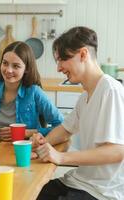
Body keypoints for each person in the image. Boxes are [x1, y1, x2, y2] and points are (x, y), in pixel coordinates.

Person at [33, 26, 124, 200]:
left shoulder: (110, 90)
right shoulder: (85, 95)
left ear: (83, 55)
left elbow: (117, 151)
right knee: (31, 193)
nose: (59, 68)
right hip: (80, 181)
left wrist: (61, 157)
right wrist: (42, 145)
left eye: (62, 60)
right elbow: (65, 129)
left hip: (102, 192)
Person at [0, 41, 63, 145]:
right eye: (5, 63)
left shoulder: (34, 92)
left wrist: (26, 133)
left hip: (28, 153)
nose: (8, 70)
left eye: (15, 66)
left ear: (27, 69)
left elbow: (61, 126)